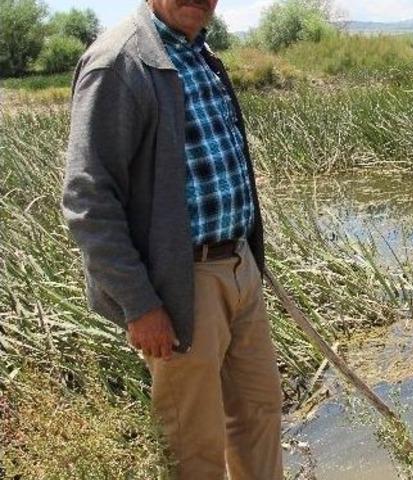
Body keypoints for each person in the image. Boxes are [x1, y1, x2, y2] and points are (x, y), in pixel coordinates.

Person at [62, 1, 283, 478]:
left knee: (260, 414)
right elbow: (88, 200)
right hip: (181, 285)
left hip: (239, 265)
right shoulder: (118, 61)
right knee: (192, 445)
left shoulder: (199, 52)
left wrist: (250, 261)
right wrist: (140, 305)